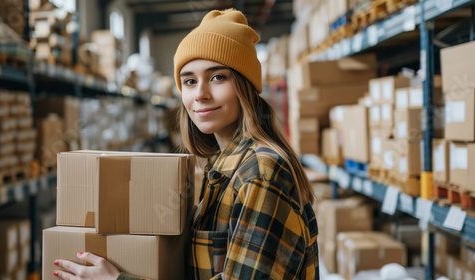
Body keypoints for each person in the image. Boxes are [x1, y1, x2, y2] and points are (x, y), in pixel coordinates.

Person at [53, 8, 319, 280]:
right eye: (189, 81)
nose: (200, 94)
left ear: (246, 85)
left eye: (218, 77)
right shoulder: (219, 167)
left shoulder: (261, 173)